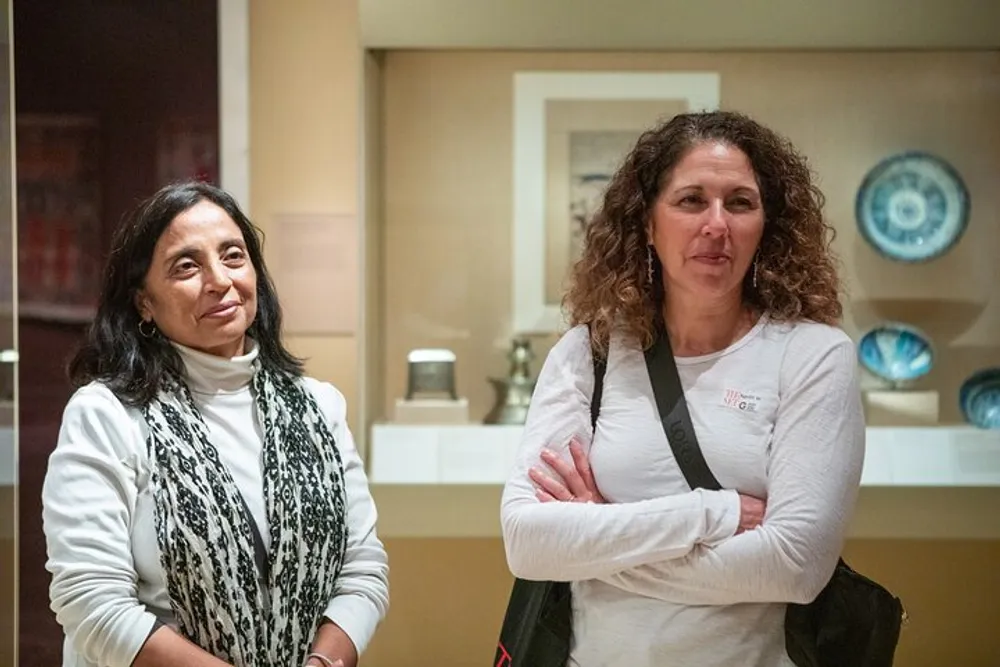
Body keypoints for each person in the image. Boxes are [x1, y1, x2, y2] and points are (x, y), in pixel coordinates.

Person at [500, 110, 865, 666]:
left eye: (740, 203)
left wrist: (594, 533)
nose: (716, 224)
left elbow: (793, 567)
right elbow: (529, 542)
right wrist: (712, 516)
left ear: (767, 224)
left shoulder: (814, 357)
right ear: (647, 222)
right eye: (691, 200)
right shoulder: (589, 353)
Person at [42, 182, 389, 667]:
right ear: (143, 301)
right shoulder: (107, 414)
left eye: (233, 256)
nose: (219, 280)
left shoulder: (319, 407)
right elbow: (91, 603)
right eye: (187, 266)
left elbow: (362, 569)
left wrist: (323, 663)